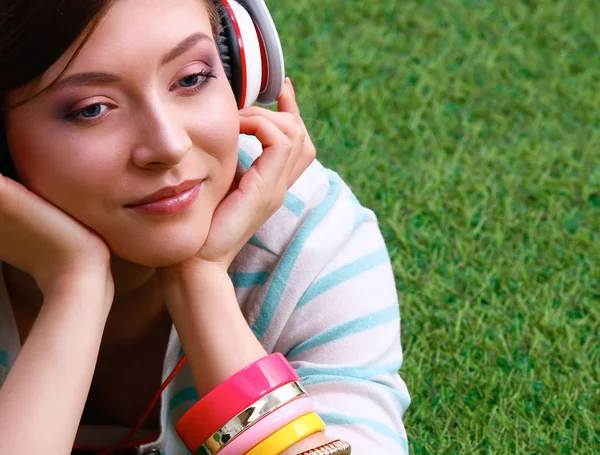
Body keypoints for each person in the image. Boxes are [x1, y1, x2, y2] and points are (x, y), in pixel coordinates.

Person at [0, 0, 410, 454]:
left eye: (192, 78)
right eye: (92, 109)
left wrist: (201, 280)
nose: (170, 146)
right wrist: (75, 283)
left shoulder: (307, 238)